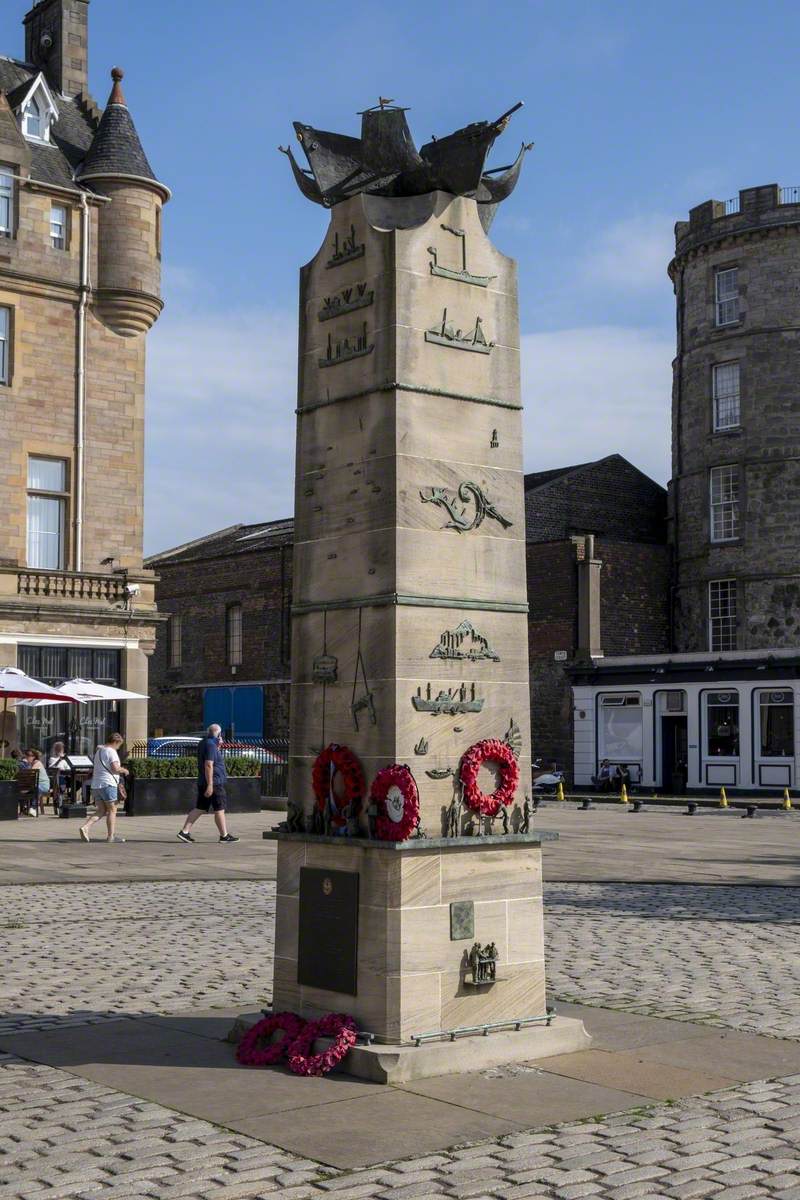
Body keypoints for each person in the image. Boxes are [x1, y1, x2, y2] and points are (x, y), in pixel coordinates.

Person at [177, 724, 239, 844]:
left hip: (204, 781)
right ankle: (224, 836)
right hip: (214, 782)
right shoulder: (211, 745)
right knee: (219, 809)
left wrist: (218, 746)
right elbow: (209, 764)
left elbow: (211, 758)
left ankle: (184, 832)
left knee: (200, 808)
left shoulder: (204, 743)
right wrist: (210, 785)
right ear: (219, 734)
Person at [79, 733, 128, 843]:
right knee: (112, 810)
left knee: (101, 810)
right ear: (116, 742)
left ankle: (86, 827)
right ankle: (111, 837)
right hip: (108, 784)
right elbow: (115, 768)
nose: (119, 747)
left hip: (96, 785)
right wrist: (124, 770)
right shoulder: (111, 752)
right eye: (119, 745)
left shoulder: (99, 751)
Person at [23, 748, 50, 817]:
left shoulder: (37, 763)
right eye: (26, 755)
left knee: (35, 789)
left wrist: (26, 764)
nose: (27, 757)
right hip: (35, 785)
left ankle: (33, 808)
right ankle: (26, 808)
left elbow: (30, 774)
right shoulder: (30, 764)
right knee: (27, 789)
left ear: (34, 756)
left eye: (29, 755)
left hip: (43, 785)